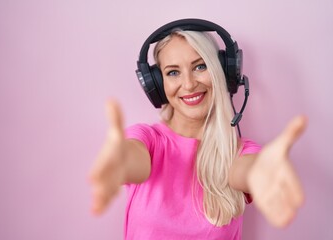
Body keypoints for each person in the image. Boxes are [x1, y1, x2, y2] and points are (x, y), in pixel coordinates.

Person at [89, 19, 307, 240]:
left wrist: (260, 172)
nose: (189, 84)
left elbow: (247, 171)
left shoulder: (240, 154)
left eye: (200, 66)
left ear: (220, 71)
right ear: (157, 84)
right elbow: (132, 158)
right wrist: (119, 160)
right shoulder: (148, 141)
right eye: (173, 72)